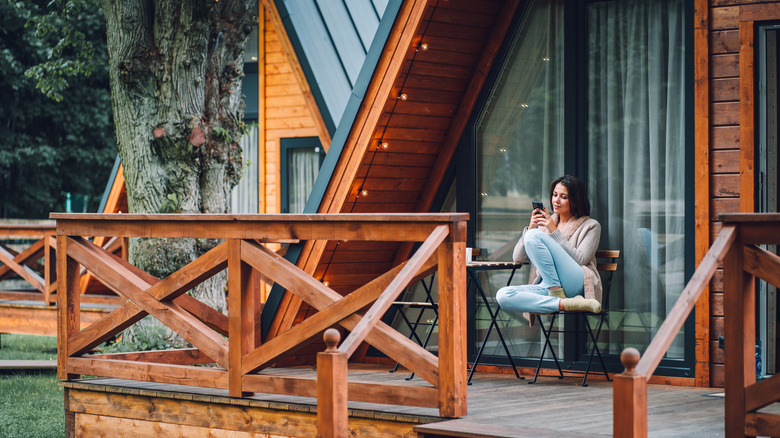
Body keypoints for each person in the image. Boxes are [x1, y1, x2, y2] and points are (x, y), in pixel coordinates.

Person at [496, 175, 602, 325]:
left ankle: (556, 290)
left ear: (576, 201)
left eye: (563, 196)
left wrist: (553, 230)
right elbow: (518, 259)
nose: (556, 200)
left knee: (534, 236)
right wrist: (531, 227)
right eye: (554, 195)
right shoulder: (541, 227)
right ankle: (564, 302)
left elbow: (580, 259)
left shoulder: (591, 226)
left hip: (576, 282)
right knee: (503, 296)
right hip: (549, 287)